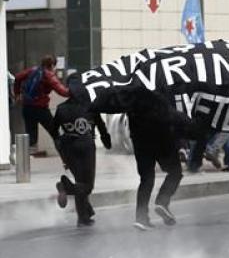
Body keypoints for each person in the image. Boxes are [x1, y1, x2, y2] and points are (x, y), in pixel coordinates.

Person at [53, 74, 112, 227]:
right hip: (86, 147)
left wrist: (62, 154)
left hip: (68, 148)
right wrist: (106, 141)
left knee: (81, 183)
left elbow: (54, 133)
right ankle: (65, 187)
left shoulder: (61, 109)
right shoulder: (90, 106)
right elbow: (101, 125)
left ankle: (84, 215)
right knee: (86, 186)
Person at [127, 90, 189, 231]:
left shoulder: (134, 95)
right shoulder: (163, 92)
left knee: (146, 179)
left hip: (141, 143)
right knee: (175, 172)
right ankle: (162, 201)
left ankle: (141, 218)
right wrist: (181, 145)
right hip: (162, 141)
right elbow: (175, 118)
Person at [14, 55, 70, 156]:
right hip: (41, 109)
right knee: (55, 132)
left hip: (27, 107)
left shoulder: (32, 70)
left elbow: (17, 77)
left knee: (31, 137)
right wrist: (75, 91)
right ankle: (66, 155)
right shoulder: (49, 75)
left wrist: (17, 94)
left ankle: (25, 162)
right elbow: (62, 91)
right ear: (52, 65)